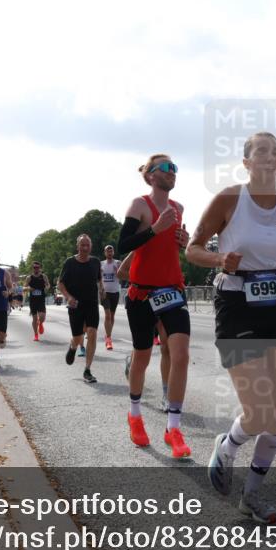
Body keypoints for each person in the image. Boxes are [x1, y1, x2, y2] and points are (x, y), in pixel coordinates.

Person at [187, 131, 276, 524]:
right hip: (237, 304)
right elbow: (192, 248)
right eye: (261, 151)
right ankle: (226, 448)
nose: (270, 157)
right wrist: (220, 258)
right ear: (246, 163)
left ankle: (253, 496)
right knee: (258, 410)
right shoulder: (229, 198)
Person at [117, 153, 192, 458]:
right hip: (142, 293)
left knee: (181, 355)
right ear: (150, 176)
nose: (171, 172)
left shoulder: (178, 208)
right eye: (164, 168)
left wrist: (183, 241)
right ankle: (135, 415)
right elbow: (123, 245)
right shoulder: (139, 205)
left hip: (172, 289)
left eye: (174, 167)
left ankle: (173, 428)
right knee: (143, 357)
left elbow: (172, 247)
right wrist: (155, 229)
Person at [117, 251, 171, 411]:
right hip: (141, 300)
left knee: (166, 346)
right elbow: (121, 272)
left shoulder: (168, 247)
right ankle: (132, 363)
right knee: (143, 348)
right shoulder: (141, 248)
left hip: (165, 298)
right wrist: (145, 278)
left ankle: (166, 395)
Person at [58, 234, 103, 383]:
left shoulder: (96, 262)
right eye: (82, 245)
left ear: (91, 246)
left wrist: (101, 288)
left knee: (92, 332)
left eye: (87, 245)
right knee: (78, 337)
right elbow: (61, 284)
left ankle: (87, 369)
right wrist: (68, 297)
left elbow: (98, 277)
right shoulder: (70, 263)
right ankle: (73, 346)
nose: (85, 248)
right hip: (75, 304)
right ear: (77, 246)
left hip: (91, 303)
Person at [100, 245, 122, 351]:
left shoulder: (118, 263)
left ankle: (108, 334)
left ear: (113, 252)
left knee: (112, 316)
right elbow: (98, 279)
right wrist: (101, 290)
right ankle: (108, 339)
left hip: (115, 292)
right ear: (104, 253)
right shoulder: (101, 264)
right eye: (107, 251)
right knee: (107, 315)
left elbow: (122, 276)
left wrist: (117, 271)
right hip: (105, 293)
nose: (109, 252)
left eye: (111, 251)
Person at [27, 262, 50, 341]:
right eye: (34, 267)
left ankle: (40, 324)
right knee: (34, 318)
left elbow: (48, 284)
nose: (36, 269)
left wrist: (47, 287)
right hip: (33, 300)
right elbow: (24, 286)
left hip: (41, 299)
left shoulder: (43, 276)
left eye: (37, 267)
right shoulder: (29, 277)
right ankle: (36, 335)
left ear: (40, 268)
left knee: (42, 317)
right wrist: (29, 288)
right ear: (32, 268)